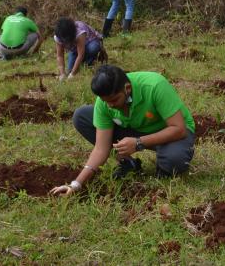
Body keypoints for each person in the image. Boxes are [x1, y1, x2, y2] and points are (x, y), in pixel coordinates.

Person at [50, 65, 196, 196]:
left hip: (172, 132)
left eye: (114, 100)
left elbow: (179, 129)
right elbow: (101, 148)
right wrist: (76, 184)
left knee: (174, 160)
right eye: (106, 101)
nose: (110, 105)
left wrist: (139, 142)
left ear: (127, 88)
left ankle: (165, 167)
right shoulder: (105, 103)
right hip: (135, 128)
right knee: (82, 116)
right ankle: (128, 163)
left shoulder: (154, 85)